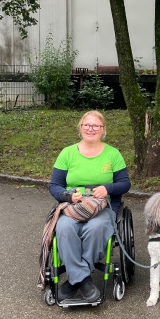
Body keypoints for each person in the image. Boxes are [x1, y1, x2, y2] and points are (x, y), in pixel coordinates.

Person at [48, 110, 131, 302]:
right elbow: (54, 186)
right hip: (74, 204)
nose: (90, 129)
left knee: (96, 228)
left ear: (103, 130)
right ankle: (84, 280)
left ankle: (73, 281)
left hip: (103, 204)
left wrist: (108, 188)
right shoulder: (67, 153)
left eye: (95, 126)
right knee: (64, 228)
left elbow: (125, 184)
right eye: (86, 125)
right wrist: (67, 195)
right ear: (80, 128)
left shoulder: (113, 154)